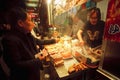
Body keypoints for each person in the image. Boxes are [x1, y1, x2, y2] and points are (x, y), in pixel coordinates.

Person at [1, 7, 57, 80]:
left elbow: (39, 41)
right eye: (30, 20)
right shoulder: (9, 40)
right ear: (20, 23)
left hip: (34, 73)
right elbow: (16, 66)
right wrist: (39, 59)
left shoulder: (27, 34)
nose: (33, 24)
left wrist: (54, 40)